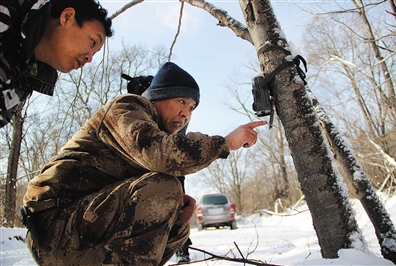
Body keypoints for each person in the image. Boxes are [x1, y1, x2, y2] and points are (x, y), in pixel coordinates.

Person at [22, 62, 267, 265]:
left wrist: (178, 217)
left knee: (177, 208)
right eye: (181, 102)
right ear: (158, 97)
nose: (187, 113)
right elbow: (159, 153)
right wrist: (225, 143)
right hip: (53, 227)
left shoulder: (159, 138)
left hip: (80, 238)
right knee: (165, 187)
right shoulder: (127, 107)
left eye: (192, 107)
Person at [0, 0, 113, 128]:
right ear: (67, 17)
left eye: (94, 53)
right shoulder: (9, 8)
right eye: (93, 42)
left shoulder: (23, 84)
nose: (90, 58)